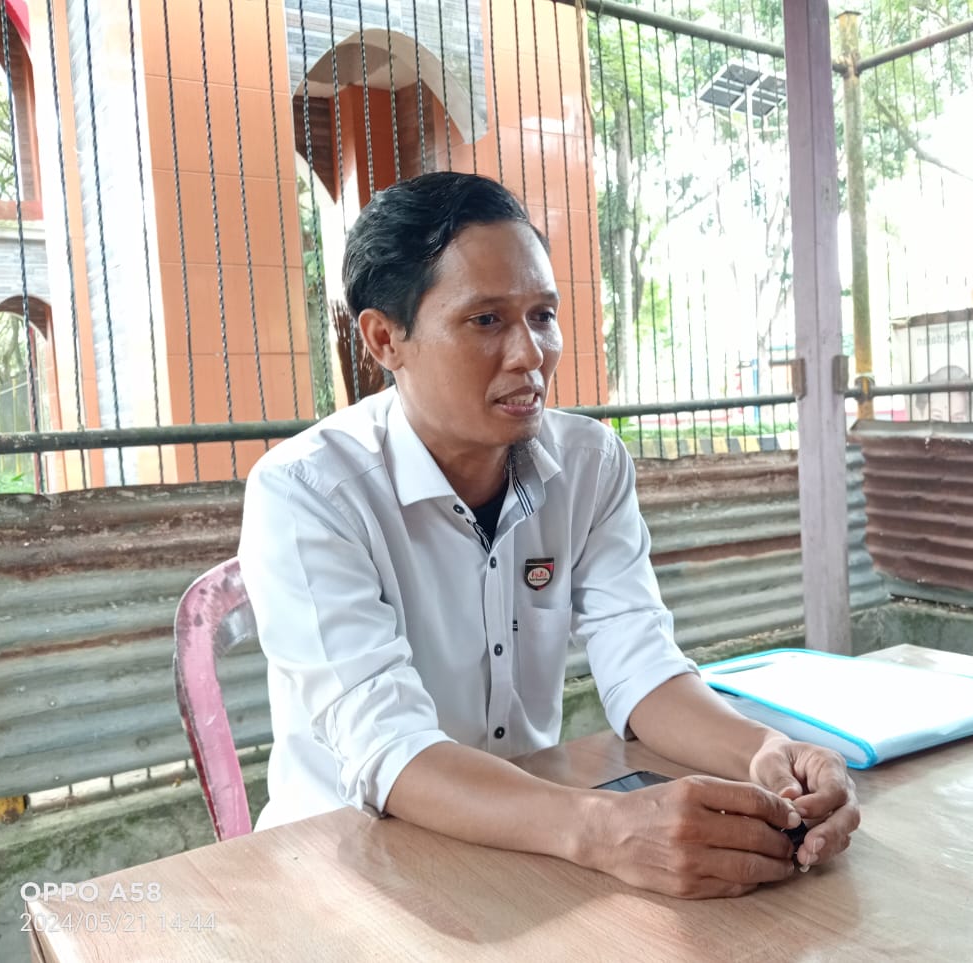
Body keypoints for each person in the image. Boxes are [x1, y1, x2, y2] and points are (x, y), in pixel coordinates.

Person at [238, 172, 860, 899]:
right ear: (386, 338)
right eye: (486, 320)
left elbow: (641, 666)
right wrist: (603, 828)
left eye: (542, 315)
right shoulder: (308, 492)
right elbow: (390, 746)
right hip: (350, 864)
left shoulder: (589, 464)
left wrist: (767, 750)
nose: (530, 353)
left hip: (533, 835)